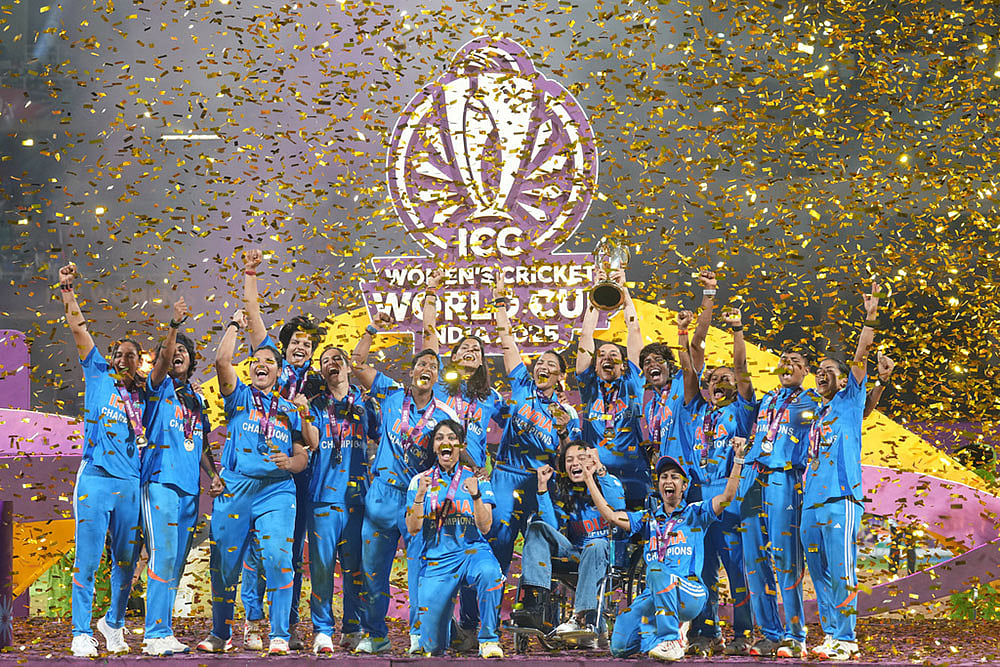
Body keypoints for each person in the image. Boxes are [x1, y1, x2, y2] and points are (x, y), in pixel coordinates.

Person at [195, 310, 312, 656]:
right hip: (236, 489)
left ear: (279, 371)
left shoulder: (288, 410)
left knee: (278, 558)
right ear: (249, 370)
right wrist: (235, 325)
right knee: (224, 565)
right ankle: (221, 633)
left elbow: (302, 455)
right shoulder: (239, 397)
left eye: (269, 362)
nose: (262, 365)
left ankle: (279, 634)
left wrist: (290, 463)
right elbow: (222, 361)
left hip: (276, 491)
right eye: (256, 361)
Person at [351, 313, 460, 654]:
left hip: (418, 497)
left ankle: (418, 636)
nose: (427, 368)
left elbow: (459, 451)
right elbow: (357, 363)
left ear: (437, 377)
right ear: (411, 373)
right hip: (382, 494)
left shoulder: (445, 414)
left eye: (433, 366)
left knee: (419, 571)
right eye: (421, 364)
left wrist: (476, 472)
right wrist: (372, 329)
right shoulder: (391, 393)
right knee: (372, 571)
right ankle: (375, 635)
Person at [587, 440, 749, 662]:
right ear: (659, 484)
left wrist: (738, 459)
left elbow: (728, 497)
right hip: (656, 595)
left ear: (684, 486)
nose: (668, 481)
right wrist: (589, 478)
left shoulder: (695, 513)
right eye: (664, 477)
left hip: (689, 592)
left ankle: (671, 639)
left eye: (674, 477)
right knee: (619, 646)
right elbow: (612, 516)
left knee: (655, 570)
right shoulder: (647, 518)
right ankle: (664, 636)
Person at [240, 248, 324, 650]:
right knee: (258, 548)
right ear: (283, 345)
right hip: (261, 469)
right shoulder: (272, 366)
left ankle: (284, 626)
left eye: (308, 343)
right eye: (296, 341)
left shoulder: (319, 383)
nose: (301, 347)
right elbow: (254, 316)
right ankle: (253, 620)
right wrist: (251, 272)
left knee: (289, 551)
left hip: (299, 472)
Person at [59, 263, 144, 657]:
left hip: (130, 483)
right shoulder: (97, 373)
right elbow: (79, 329)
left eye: (131, 356)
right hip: (94, 478)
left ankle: (113, 624)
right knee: (89, 559)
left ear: (140, 362)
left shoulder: (145, 393)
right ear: (110, 357)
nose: (123, 359)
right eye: (119, 354)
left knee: (126, 562)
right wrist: (67, 290)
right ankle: (80, 632)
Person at [421, 269, 507, 651]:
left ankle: (473, 626)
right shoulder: (441, 385)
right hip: (440, 477)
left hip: (474, 483)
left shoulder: (491, 398)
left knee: (478, 546)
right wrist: (430, 296)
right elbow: (429, 338)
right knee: (438, 548)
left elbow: (519, 422)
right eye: (463, 348)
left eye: (477, 349)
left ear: (483, 361)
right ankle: (434, 624)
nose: (470, 351)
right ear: (452, 357)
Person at [800, 282, 883, 661]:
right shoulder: (817, 413)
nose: (821, 374)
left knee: (841, 570)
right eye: (818, 371)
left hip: (841, 498)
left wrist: (870, 317)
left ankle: (846, 638)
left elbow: (860, 358)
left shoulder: (850, 400)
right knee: (818, 574)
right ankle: (832, 633)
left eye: (829, 370)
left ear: (844, 379)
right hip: (811, 502)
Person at [139, 297, 224, 655]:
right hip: (160, 480)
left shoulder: (196, 398)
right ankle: (153, 632)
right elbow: (161, 361)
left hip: (190, 489)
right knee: (162, 555)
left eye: (183, 352)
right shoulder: (157, 387)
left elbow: (200, 441)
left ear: (191, 361)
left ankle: (164, 629)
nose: (176, 355)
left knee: (176, 561)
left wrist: (213, 475)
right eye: (171, 351)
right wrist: (174, 326)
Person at [488, 274, 581, 576]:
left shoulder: (567, 413)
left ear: (560, 376)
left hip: (541, 485)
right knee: (497, 549)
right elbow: (507, 343)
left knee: (539, 555)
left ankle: (533, 604)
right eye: (540, 362)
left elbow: (570, 460)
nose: (543, 366)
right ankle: (482, 605)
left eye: (551, 364)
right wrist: (500, 304)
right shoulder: (521, 386)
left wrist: (564, 431)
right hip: (505, 477)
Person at [737, 343, 821, 657]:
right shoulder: (767, 399)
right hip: (752, 477)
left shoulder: (814, 400)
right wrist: (738, 330)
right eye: (783, 359)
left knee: (786, 559)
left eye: (795, 361)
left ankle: (795, 635)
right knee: (754, 561)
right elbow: (740, 372)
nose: (787, 364)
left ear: (806, 370)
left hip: (784, 478)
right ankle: (770, 633)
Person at [682, 306, 756, 656]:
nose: (718, 383)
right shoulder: (697, 409)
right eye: (713, 379)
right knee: (702, 570)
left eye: (725, 379)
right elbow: (689, 370)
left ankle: (744, 632)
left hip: (730, 496)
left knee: (736, 570)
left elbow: (741, 369)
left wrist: (737, 330)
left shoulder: (741, 411)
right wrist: (684, 334)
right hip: (698, 498)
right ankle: (706, 631)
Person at [405, 420, 505, 658]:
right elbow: (413, 528)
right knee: (432, 647)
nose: (445, 442)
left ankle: (488, 640)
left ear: (461, 445)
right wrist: (420, 496)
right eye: (440, 438)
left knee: (490, 572)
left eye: (451, 438)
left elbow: (485, 527)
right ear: (434, 446)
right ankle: (449, 627)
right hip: (438, 560)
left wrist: (476, 496)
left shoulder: (477, 479)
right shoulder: (420, 481)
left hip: (472, 553)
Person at [512, 440, 625, 645]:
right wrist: (542, 488)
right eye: (569, 460)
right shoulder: (564, 491)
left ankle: (582, 618)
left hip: (605, 553)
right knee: (537, 528)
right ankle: (534, 605)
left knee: (595, 544)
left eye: (581, 458)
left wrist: (597, 472)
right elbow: (551, 527)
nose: (575, 463)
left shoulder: (609, 481)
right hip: (574, 553)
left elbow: (617, 508)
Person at [307, 345, 377, 654]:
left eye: (337, 359)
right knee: (322, 568)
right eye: (325, 361)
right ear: (322, 372)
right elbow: (310, 442)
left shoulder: (366, 403)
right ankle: (322, 630)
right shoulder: (314, 405)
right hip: (323, 497)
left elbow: (382, 437)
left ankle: (352, 627)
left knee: (355, 569)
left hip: (357, 499)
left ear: (348, 367)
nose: (331, 363)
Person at [576, 267, 646, 508]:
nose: (607, 357)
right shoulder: (589, 386)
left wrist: (623, 291)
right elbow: (586, 336)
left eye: (614, 354)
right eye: (601, 354)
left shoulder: (632, 383)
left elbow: (634, 330)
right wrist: (596, 295)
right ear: (595, 365)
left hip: (634, 477)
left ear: (624, 365)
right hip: (595, 476)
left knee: (634, 530)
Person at [643, 271, 717, 480]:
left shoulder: (682, 383)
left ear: (670, 366)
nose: (652, 365)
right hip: (668, 479)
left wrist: (709, 292)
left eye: (658, 360)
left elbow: (698, 343)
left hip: (693, 475)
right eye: (647, 363)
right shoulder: (650, 407)